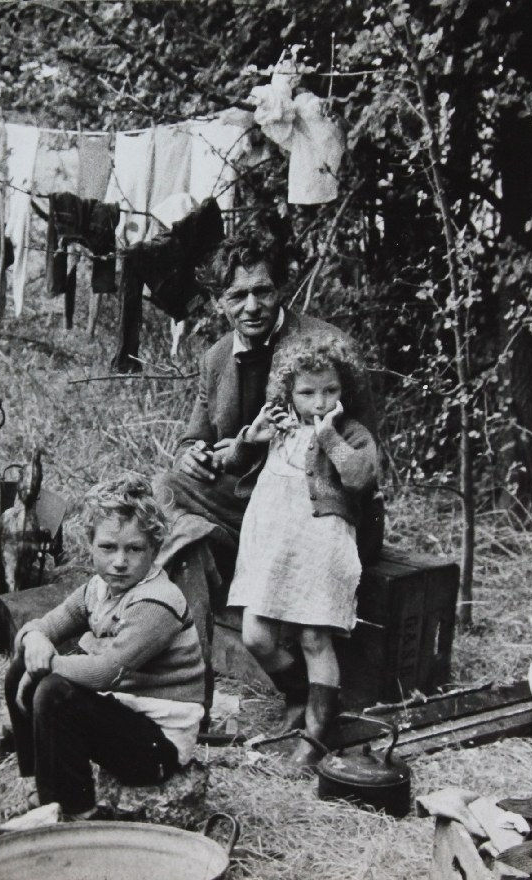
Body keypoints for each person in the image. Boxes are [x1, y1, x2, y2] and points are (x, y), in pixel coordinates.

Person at [155, 232, 378, 721]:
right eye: (237, 295)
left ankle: (308, 698)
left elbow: (361, 446)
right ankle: (195, 685)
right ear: (219, 302)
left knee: (189, 536)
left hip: (312, 502)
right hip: (248, 496)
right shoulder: (215, 358)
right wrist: (192, 453)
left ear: (282, 291)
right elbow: (194, 435)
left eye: (263, 291)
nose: (252, 306)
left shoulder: (323, 347)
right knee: (168, 490)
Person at [3, 475, 206, 825]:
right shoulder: (98, 589)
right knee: (24, 665)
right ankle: (41, 796)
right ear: (91, 545)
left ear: (155, 550)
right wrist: (35, 640)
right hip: (126, 714)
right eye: (108, 547)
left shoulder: (156, 602)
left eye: (135, 549)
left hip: (159, 745)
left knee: (54, 691)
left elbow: (104, 672)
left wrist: (47, 662)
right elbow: (45, 625)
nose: (120, 562)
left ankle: (77, 814)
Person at [220, 337, 378, 764]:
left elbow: (359, 477)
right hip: (271, 541)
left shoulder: (351, 432)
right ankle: (297, 699)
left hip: (321, 544)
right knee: (256, 635)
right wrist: (249, 439)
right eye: (307, 392)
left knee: (313, 636)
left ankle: (316, 734)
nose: (320, 401)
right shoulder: (277, 424)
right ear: (289, 392)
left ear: (344, 389)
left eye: (329, 390)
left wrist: (327, 435)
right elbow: (233, 465)